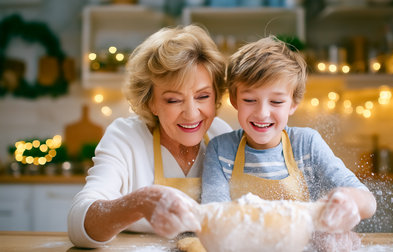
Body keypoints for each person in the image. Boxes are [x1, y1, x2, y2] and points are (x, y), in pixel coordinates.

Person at [201, 36, 376, 248]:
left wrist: (348, 199)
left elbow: (368, 201)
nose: (262, 113)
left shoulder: (306, 144)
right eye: (249, 100)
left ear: (293, 103)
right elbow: (214, 215)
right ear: (235, 100)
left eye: (276, 101)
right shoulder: (221, 149)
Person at [68, 24, 232, 248]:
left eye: (203, 96)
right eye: (173, 100)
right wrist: (139, 203)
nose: (192, 113)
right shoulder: (125, 137)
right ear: (151, 102)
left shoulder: (222, 135)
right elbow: (78, 224)